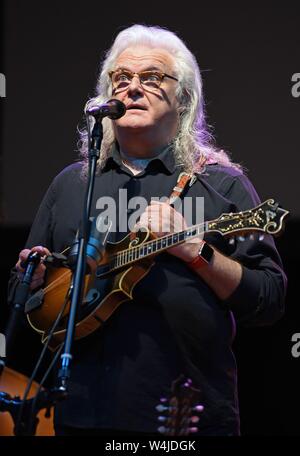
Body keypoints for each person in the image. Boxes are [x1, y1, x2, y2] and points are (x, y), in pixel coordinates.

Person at [8, 24, 287, 436]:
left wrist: (197, 249)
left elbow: (269, 299)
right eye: (121, 79)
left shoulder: (220, 184)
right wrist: (31, 275)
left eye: (152, 78)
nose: (132, 88)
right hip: (79, 416)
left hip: (187, 418)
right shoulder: (72, 183)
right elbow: (25, 299)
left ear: (184, 98)